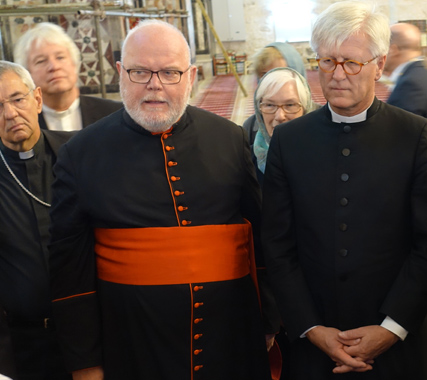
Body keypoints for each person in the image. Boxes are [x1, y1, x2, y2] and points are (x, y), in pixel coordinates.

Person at [48, 20, 278, 380]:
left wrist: (268, 320)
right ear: (121, 72)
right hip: (133, 348)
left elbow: (261, 241)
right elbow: (69, 272)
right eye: (140, 71)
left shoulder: (230, 139)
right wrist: (85, 364)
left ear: (191, 76)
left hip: (232, 339)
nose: (155, 85)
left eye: (170, 72)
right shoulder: (79, 154)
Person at [261, 2, 427, 379]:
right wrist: (312, 329)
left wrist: (389, 329)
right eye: (327, 62)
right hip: (316, 346)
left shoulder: (415, 135)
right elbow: (278, 247)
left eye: (351, 63)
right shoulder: (289, 140)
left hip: (398, 345)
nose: (337, 75)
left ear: (379, 65)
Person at [0, 61, 74, 380]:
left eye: (18, 99)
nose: (10, 113)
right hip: (22, 347)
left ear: (38, 100)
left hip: (88, 336)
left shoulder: (78, 154)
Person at [13, 22, 122, 131]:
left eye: (60, 57)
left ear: (74, 64)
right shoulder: (20, 125)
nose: (54, 66)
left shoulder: (115, 114)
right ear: (27, 74)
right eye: (41, 61)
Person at [246, 67, 317, 185]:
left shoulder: (321, 155)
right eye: (269, 105)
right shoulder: (246, 162)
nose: (279, 116)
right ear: (259, 110)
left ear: (305, 109)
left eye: (290, 105)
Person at [384, 23, 427, 118]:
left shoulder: (410, 84)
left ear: (393, 50)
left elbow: (393, 129)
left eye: (382, 48)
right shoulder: (420, 75)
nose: (380, 55)